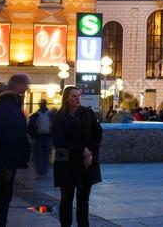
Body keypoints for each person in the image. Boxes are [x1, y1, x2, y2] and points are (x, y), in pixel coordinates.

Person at [0, 73, 32, 226]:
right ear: (19, 86)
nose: (27, 89)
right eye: (26, 86)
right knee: (0, 199)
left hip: (2, 160)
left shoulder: (3, 105)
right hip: (4, 161)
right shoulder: (8, 107)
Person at [52, 86, 103, 227]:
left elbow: (97, 133)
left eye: (79, 95)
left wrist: (90, 152)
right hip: (67, 163)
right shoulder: (59, 117)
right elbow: (59, 141)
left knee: (83, 200)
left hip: (86, 162)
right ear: (66, 98)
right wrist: (82, 151)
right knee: (66, 199)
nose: (78, 98)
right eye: (74, 96)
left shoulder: (87, 113)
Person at [28, 101, 54, 178]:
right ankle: (44, 171)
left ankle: (40, 171)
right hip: (48, 138)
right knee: (46, 155)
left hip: (38, 138)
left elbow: (30, 127)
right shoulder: (51, 115)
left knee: (38, 155)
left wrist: (33, 137)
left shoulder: (35, 115)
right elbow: (55, 127)